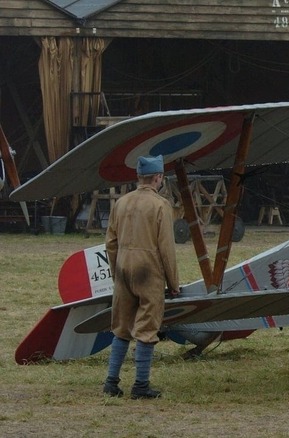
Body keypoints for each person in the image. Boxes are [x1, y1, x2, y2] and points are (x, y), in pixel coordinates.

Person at [102, 155, 180, 398]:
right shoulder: (160, 205)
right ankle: (141, 386)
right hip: (149, 273)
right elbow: (166, 249)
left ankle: (111, 382)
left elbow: (110, 242)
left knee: (121, 328)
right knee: (147, 328)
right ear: (158, 177)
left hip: (123, 270)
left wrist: (117, 273)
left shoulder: (121, 203)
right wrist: (173, 283)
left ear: (139, 176)